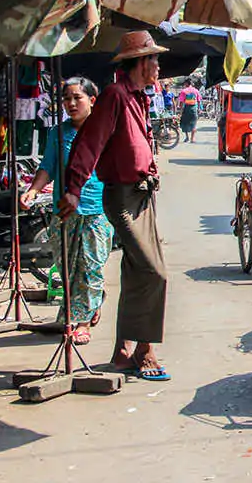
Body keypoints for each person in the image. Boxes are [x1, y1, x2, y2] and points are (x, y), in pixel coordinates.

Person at [60, 30, 171, 382]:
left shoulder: (139, 98)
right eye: (152, 59)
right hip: (122, 196)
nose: (157, 65)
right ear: (138, 63)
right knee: (154, 272)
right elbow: (89, 142)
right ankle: (144, 348)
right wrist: (73, 189)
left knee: (137, 271)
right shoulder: (114, 95)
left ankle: (122, 352)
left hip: (142, 196)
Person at [21, 77, 114, 346]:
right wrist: (33, 191)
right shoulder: (58, 133)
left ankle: (81, 323)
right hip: (64, 212)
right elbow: (47, 166)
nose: (71, 104)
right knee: (67, 268)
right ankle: (90, 303)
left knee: (91, 267)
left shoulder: (107, 132)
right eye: (67, 99)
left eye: (77, 98)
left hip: (98, 211)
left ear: (92, 101)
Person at [177, 78, 202, 143]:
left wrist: (180, 111)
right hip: (194, 109)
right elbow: (199, 101)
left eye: (185, 83)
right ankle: (192, 138)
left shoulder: (184, 91)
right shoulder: (196, 91)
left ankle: (187, 137)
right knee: (194, 124)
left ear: (186, 83)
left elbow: (181, 102)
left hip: (186, 109)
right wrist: (199, 109)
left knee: (185, 123)